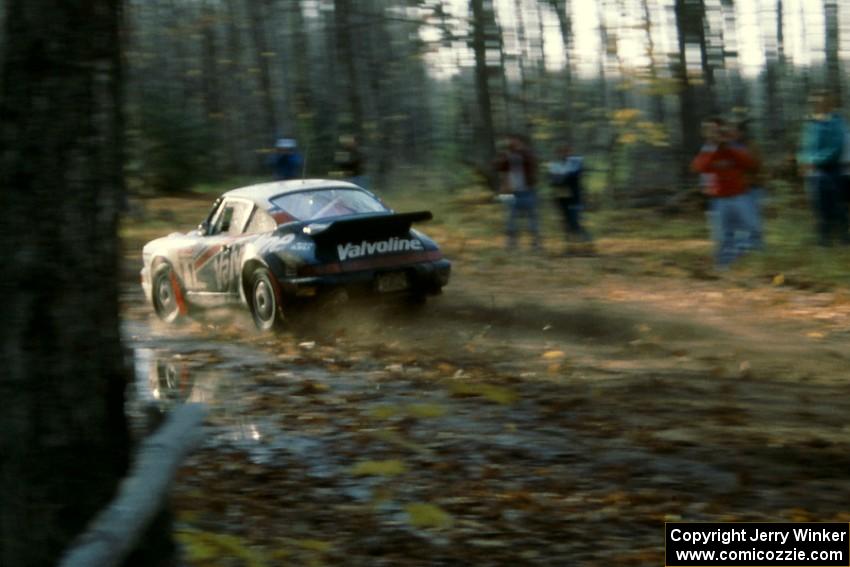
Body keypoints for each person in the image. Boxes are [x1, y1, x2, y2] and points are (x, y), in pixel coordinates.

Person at [691, 117, 758, 269]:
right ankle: (723, 268)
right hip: (719, 199)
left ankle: (745, 262)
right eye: (710, 131)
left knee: (750, 229)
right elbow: (699, 167)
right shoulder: (706, 150)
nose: (714, 134)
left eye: (717, 130)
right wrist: (712, 146)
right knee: (722, 236)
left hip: (740, 195)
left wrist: (727, 145)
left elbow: (749, 163)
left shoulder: (733, 147)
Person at [798, 90, 848, 246]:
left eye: (820, 101)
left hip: (831, 169)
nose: (817, 104)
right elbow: (804, 145)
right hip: (812, 171)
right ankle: (824, 238)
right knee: (818, 205)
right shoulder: (811, 123)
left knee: (835, 203)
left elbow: (836, 147)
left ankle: (843, 237)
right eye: (814, 101)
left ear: (829, 103)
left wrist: (814, 161)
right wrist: (802, 160)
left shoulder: (837, 122)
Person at [494, 134, 541, 250]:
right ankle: (512, 243)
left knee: (532, 217)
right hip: (512, 191)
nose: (512, 142)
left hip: (528, 190)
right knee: (510, 218)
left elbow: (533, 162)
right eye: (510, 141)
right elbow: (497, 167)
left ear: (520, 141)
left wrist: (521, 151)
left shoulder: (527, 153)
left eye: (514, 140)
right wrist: (504, 156)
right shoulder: (507, 154)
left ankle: (536, 243)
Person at [548, 145, 592, 248]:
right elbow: (552, 180)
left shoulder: (576, 162)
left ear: (570, 152)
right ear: (558, 153)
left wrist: (560, 177)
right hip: (561, 199)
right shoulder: (555, 164)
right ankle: (570, 245)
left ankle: (587, 241)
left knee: (575, 221)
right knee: (565, 222)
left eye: (566, 151)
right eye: (561, 152)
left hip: (575, 198)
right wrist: (559, 178)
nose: (564, 154)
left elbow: (572, 176)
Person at [731, 120, 765, 251]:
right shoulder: (730, 147)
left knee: (753, 219)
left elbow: (756, 166)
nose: (733, 133)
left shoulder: (752, 146)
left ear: (742, 132)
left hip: (752, 188)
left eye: (735, 131)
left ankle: (757, 246)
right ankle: (742, 245)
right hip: (737, 189)